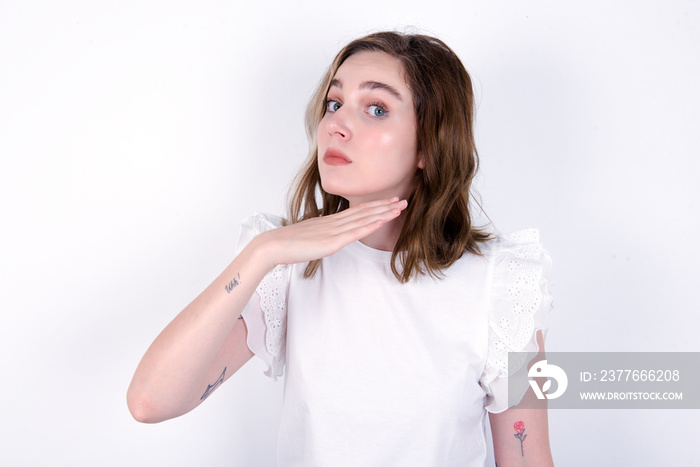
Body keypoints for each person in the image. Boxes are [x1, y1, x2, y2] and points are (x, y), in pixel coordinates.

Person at [127, 31, 555, 466]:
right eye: (334, 104)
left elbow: (528, 457)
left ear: (430, 144)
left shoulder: (502, 288)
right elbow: (151, 402)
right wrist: (261, 253)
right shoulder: (288, 270)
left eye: (376, 109)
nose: (336, 124)